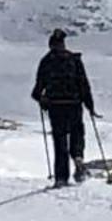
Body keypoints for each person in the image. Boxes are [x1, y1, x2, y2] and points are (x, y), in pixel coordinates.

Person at [31, 28, 96, 186]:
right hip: (74, 105)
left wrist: (43, 100)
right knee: (77, 134)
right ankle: (78, 158)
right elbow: (84, 85)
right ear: (63, 44)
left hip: (56, 106)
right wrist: (90, 106)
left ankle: (61, 178)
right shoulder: (74, 60)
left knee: (60, 141)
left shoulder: (46, 62)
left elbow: (37, 90)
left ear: (50, 45)